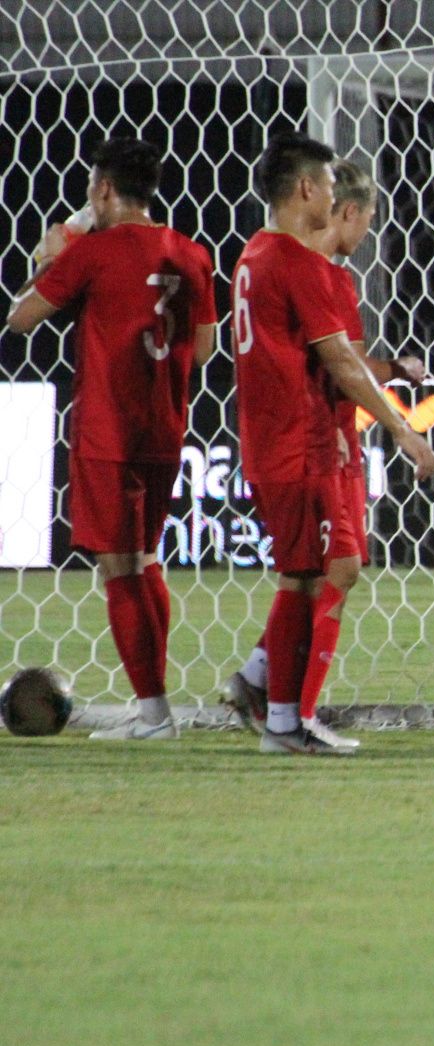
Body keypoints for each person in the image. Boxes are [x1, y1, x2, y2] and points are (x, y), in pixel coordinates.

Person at [5, 135, 218, 741]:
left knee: (118, 569)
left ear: (101, 189)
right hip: (164, 430)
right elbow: (203, 348)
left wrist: (49, 255)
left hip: (106, 431)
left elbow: (20, 318)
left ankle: (154, 717)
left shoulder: (93, 252)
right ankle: (156, 708)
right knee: (147, 561)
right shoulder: (193, 253)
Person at [232, 132, 434, 754]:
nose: (330, 189)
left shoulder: (253, 255)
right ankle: (285, 722)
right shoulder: (298, 265)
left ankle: (277, 709)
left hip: (272, 444)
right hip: (302, 447)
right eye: (324, 181)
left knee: (308, 575)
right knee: (308, 580)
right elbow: (343, 364)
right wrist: (404, 427)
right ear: (305, 190)